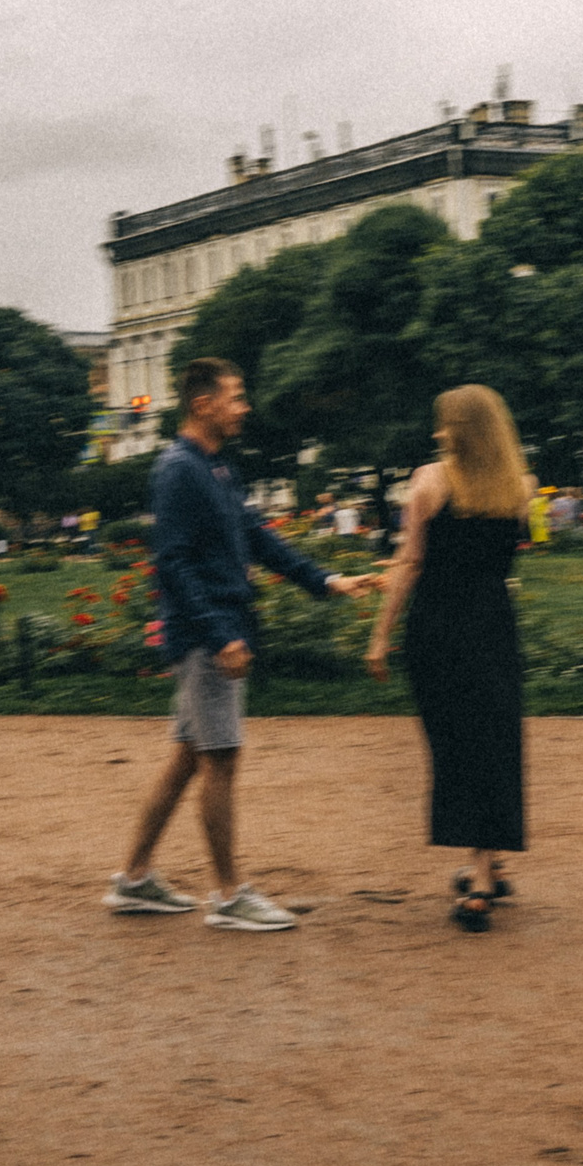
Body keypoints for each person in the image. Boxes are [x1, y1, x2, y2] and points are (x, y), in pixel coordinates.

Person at [108, 357, 373, 932]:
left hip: (214, 629)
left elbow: (255, 536)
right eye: (236, 396)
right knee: (220, 760)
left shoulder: (215, 467)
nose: (244, 406)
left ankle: (133, 879)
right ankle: (229, 896)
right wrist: (220, 634)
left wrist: (324, 580)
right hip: (208, 635)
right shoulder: (180, 469)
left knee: (187, 760)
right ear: (204, 404)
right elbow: (171, 563)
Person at [366, 385, 532, 934]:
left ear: (458, 427)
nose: (437, 430)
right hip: (493, 624)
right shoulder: (519, 486)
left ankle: (481, 882)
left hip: (438, 626)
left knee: (455, 747)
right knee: (494, 739)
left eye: (443, 422)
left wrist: (379, 635)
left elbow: (410, 563)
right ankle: (490, 859)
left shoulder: (431, 480)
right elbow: (506, 562)